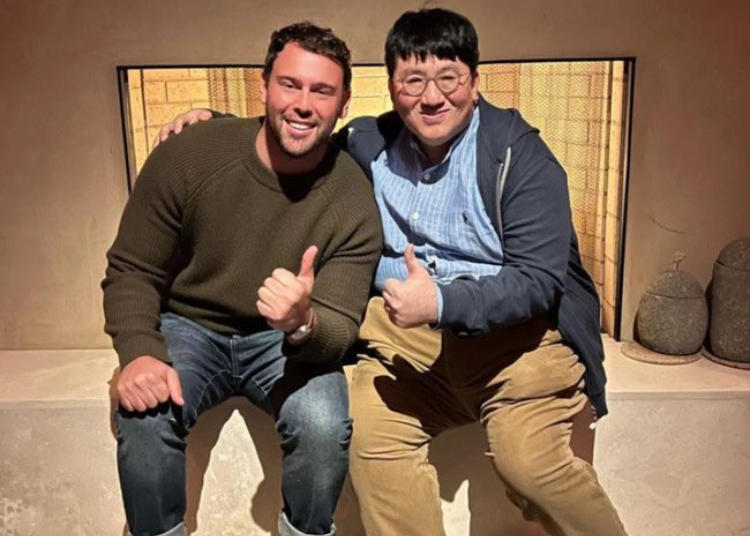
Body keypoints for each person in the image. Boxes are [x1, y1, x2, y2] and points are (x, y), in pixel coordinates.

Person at [157, 9, 627, 536]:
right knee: (369, 437)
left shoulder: (519, 157)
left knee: (530, 464)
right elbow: (297, 137)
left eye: (449, 78)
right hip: (405, 347)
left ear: (475, 82)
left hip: (517, 347)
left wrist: (443, 302)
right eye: (413, 81)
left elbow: (538, 281)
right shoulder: (368, 144)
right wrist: (216, 124)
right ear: (391, 88)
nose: (432, 97)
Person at [102, 22, 382, 536]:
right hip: (190, 325)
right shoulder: (190, 154)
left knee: (323, 426)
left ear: (344, 104)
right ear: (264, 86)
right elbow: (131, 268)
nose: (303, 104)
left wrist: (304, 320)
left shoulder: (351, 197)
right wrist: (139, 351)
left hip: (284, 344)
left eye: (322, 91)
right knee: (143, 415)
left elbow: (341, 324)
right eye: (290, 84)